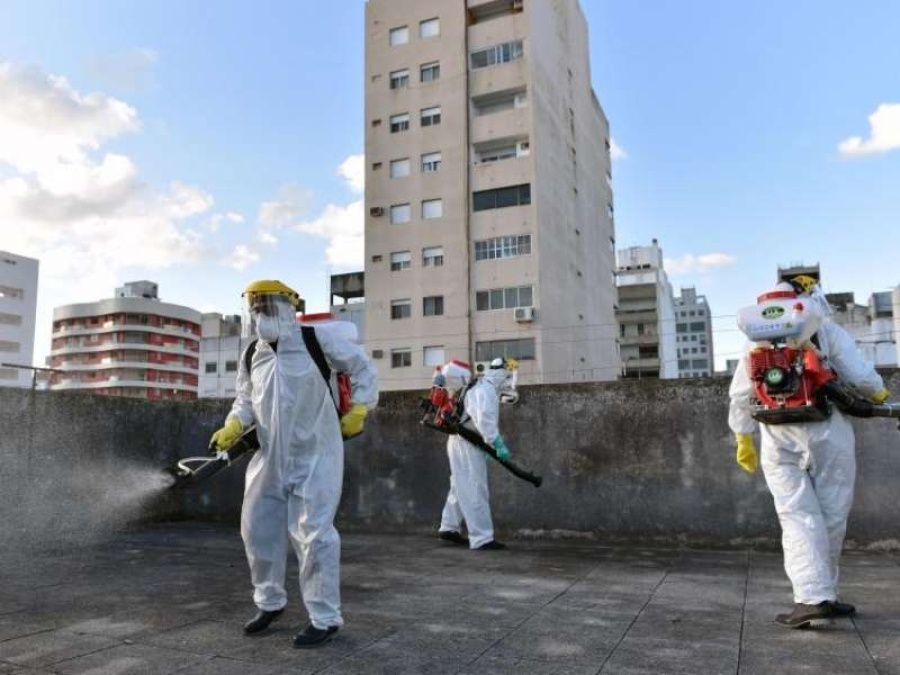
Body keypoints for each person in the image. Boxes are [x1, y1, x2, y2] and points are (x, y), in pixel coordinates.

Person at [209, 280, 378, 648]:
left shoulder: (316, 339)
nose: (261, 312)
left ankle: (324, 617)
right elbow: (245, 397)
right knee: (256, 528)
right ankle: (269, 603)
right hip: (268, 455)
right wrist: (233, 424)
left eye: (268, 304)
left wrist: (360, 408)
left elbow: (364, 368)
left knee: (314, 535)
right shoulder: (252, 351)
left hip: (316, 452)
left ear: (290, 307)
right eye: (255, 306)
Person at [728, 276, 889, 628]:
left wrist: (743, 438)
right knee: (832, 512)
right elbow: (860, 375)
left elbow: (740, 396)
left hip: (776, 434)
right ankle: (821, 595)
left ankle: (814, 597)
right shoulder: (826, 332)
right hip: (828, 430)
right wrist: (881, 398)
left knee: (796, 515)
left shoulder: (755, 345)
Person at [438, 357, 516, 551]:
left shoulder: (479, 386)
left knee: (459, 484)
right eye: (507, 377)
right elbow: (485, 420)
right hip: (468, 443)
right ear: (500, 374)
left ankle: (449, 527)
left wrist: (490, 445)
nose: (508, 382)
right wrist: (496, 443)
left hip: (459, 441)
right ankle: (481, 538)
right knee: (475, 487)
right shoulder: (486, 389)